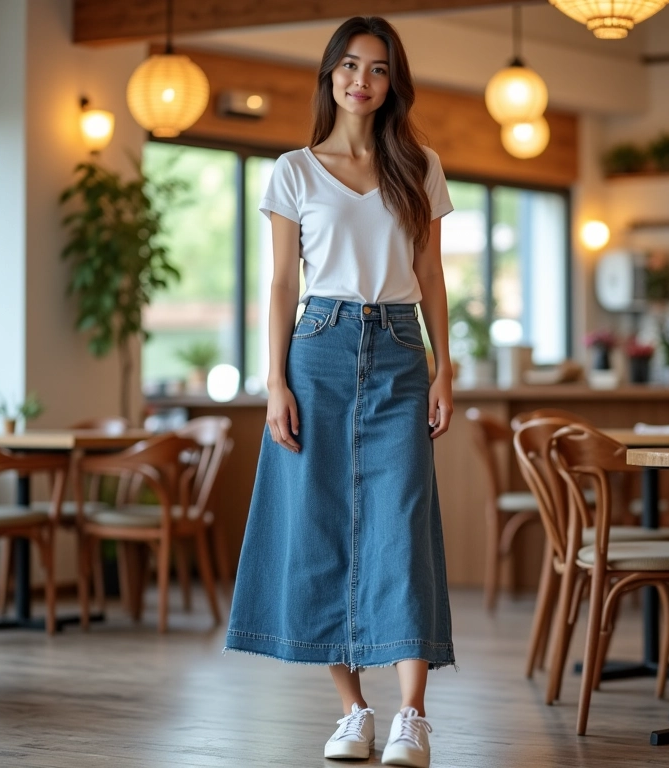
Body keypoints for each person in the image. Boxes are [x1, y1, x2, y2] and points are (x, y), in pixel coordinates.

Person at [224, 15, 455, 768]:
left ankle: (412, 715)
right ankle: (354, 711)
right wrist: (274, 381)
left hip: (399, 350)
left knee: (402, 526)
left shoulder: (420, 166)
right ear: (330, 75)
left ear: (393, 83)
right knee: (319, 526)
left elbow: (430, 276)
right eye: (350, 65)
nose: (362, 79)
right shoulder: (293, 170)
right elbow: (281, 284)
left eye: (378, 68)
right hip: (317, 350)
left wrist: (445, 366)